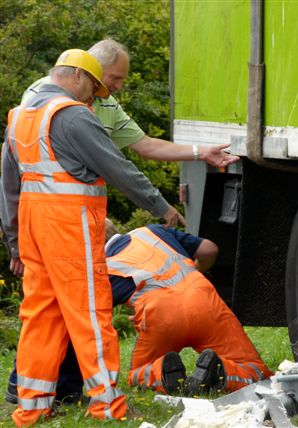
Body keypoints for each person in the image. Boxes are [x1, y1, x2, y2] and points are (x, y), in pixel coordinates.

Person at [0, 48, 185, 426]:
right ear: (77, 76)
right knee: (89, 312)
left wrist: (14, 242)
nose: (91, 100)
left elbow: (8, 187)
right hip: (68, 227)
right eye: (93, 90)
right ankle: (106, 404)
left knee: (39, 315)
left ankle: (31, 408)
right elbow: (119, 169)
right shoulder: (72, 116)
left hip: (32, 228)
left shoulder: (19, 117)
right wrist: (162, 207)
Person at [106, 221, 273, 395]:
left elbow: (96, 317)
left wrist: (141, 312)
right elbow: (209, 250)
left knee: (139, 372)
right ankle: (220, 374)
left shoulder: (102, 266)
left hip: (160, 317)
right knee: (255, 369)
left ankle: (163, 373)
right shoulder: (152, 231)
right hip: (204, 301)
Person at [23, 38, 239, 169]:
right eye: (115, 78)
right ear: (93, 70)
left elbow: (146, 145)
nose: (120, 86)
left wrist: (202, 152)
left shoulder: (108, 105)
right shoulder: (41, 93)